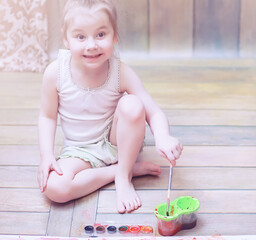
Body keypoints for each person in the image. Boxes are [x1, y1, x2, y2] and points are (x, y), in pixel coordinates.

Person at [37, 0, 183, 214]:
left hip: (116, 144)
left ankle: (123, 177)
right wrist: (47, 155)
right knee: (55, 188)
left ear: (115, 36)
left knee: (133, 104)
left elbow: (154, 112)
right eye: (80, 36)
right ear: (66, 39)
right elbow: (47, 117)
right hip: (78, 151)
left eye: (100, 34)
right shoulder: (55, 73)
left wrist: (163, 137)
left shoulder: (120, 71)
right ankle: (124, 169)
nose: (91, 45)